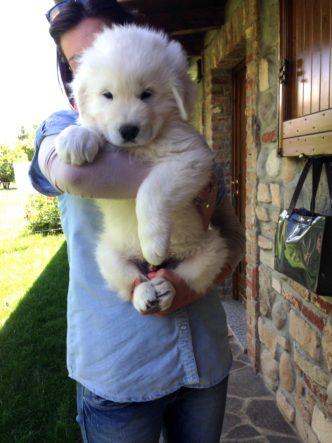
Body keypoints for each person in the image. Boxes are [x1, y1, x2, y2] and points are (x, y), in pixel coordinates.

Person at [29, 1, 245, 442]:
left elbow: (233, 236)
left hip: (202, 358)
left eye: (107, 43)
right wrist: (173, 175)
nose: (106, 58)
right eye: (80, 60)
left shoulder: (184, 133)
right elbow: (70, 170)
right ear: (75, 77)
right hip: (121, 373)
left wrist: (194, 282)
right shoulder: (62, 128)